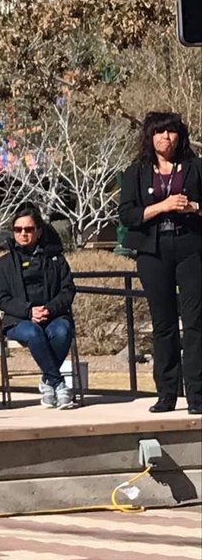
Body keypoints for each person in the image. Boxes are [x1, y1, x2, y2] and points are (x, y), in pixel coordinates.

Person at [118, 111, 202, 414]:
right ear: (150, 137)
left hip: (191, 248)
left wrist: (194, 207)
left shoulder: (195, 167)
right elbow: (127, 215)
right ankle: (167, 393)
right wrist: (162, 206)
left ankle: (197, 395)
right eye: (160, 132)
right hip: (153, 251)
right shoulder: (136, 172)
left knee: (195, 323)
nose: (167, 137)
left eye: (172, 131)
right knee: (163, 324)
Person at [0, 204, 77, 408]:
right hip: (18, 320)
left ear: (39, 231)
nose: (23, 233)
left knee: (62, 331)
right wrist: (29, 311)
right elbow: (2, 299)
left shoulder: (56, 259)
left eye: (29, 229)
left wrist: (49, 309)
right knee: (33, 332)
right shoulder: (3, 264)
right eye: (18, 229)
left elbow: (68, 290)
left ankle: (48, 381)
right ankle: (58, 383)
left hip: (53, 315)